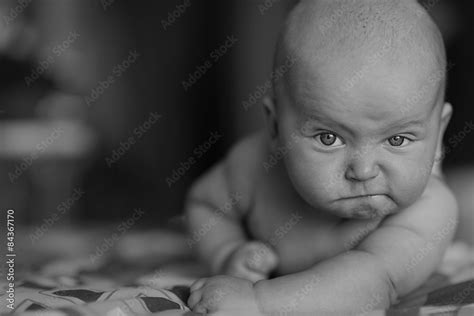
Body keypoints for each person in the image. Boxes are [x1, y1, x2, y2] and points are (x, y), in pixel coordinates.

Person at [185, 0, 458, 314]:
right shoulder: (256, 165)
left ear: (438, 135)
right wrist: (226, 252)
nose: (364, 170)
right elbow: (205, 205)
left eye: (397, 139)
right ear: (275, 128)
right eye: (330, 138)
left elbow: (370, 282)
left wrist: (259, 303)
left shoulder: (428, 211)